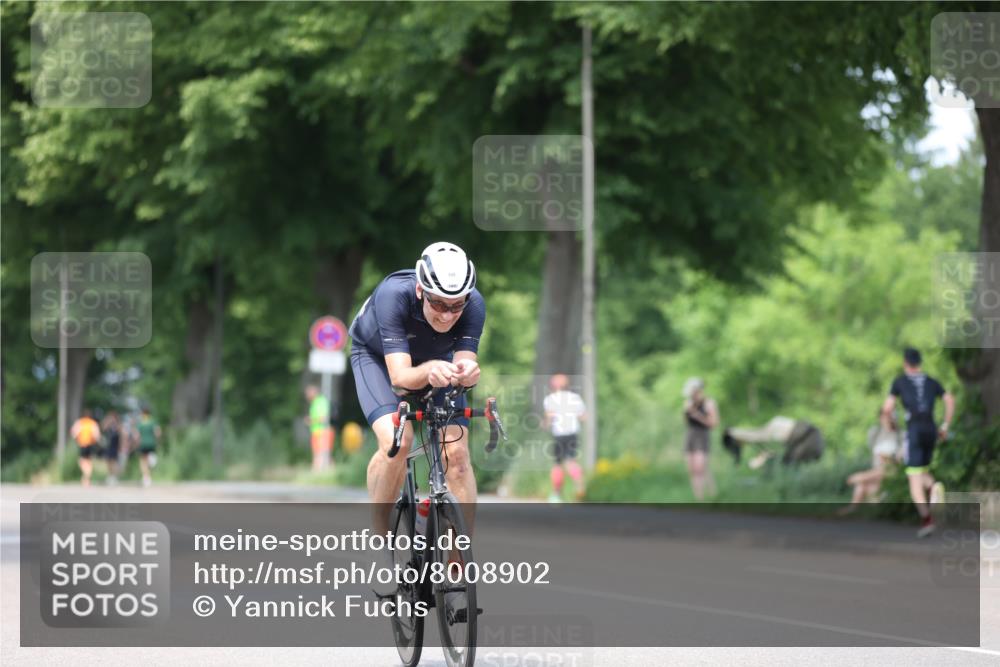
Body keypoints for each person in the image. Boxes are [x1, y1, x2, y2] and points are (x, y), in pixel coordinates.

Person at [348, 242, 485, 577]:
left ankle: (457, 562)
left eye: (456, 305)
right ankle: (380, 543)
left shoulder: (474, 305)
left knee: (458, 456)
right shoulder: (393, 295)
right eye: (438, 303)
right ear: (421, 290)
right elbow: (400, 379)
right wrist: (432, 369)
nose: (447, 314)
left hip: (436, 362)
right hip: (378, 360)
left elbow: (464, 365)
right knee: (399, 441)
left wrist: (467, 374)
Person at [881, 347, 955, 537]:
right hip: (931, 429)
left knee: (914, 479)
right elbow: (949, 399)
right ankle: (934, 487)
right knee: (921, 470)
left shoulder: (900, 381)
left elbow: (887, 409)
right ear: (919, 362)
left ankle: (927, 518)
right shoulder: (931, 381)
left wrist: (891, 424)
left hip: (914, 430)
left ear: (905, 363)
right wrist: (945, 425)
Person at [839, 411, 902, 514]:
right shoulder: (876, 433)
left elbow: (899, 460)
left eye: (888, 417)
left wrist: (887, 458)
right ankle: (853, 509)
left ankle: (862, 481)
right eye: (884, 417)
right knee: (860, 486)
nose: (886, 420)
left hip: (890, 471)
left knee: (860, 478)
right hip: (877, 472)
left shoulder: (899, 435)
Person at [543, 373, 587, 503]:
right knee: (571, 462)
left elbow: (549, 418)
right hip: (573, 433)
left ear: (553, 386)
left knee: (558, 464)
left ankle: (556, 495)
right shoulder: (575, 398)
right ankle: (580, 487)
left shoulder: (550, 399)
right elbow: (583, 417)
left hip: (559, 434)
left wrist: (545, 424)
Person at [723, 416, 824, 468]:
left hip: (792, 430)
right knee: (758, 436)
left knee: (786, 463)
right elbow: (789, 456)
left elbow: (782, 455)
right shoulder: (809, 446)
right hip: (788, 431)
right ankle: (732, 433)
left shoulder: (813, 440)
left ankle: (734, 435)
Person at [682, 377, 718, 500]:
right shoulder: (688, 403)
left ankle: (712, 495)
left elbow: (713, 423)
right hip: (690, 435)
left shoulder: (709, 403)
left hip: (702, 435)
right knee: (692, 469)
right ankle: (698, 498)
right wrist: (687, 412)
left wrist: (697, 415)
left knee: (701, 468)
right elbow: (686, 422)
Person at [304, 385, 335, 471]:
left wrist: (311, 420)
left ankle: (317, 472)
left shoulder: (320, 401)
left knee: (322, 455)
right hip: (317, 432)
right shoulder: (314, 403)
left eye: (308, 393)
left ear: (314, 392)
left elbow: (324, 418)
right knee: (322, 455)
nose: (306, 396)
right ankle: (327, 472)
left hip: (323, 431)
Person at [70, 409, 101, 487]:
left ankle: (86, 474)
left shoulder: (80, 422)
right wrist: (97, 443)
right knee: (89, 461)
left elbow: (74, 433)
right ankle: (87, 476)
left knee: (81, 461)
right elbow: (97, 435)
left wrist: (77, 439)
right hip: (90, 444)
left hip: (82, 444)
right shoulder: (93, 423)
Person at [134, 405, 162, 488]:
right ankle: (148, 473)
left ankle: (146, 478)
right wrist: (157, 441)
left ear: (142, 413)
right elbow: (158, 433)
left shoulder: (140, 422)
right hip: (151, 443)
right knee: (149, 460)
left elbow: (136, 435)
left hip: (143, 444)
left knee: (143, 461)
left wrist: (135, 443)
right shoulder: (153, 421)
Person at [101, 410, 123, 485]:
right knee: (108, 461)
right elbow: (103, 428)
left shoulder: (118, 425)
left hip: (115, 446)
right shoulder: (108, 425)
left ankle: (114, 477)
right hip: (108, 446)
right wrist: (108, 420)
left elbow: (121, 435)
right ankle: (110, 476)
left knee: (114, 462)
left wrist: (121, 446)